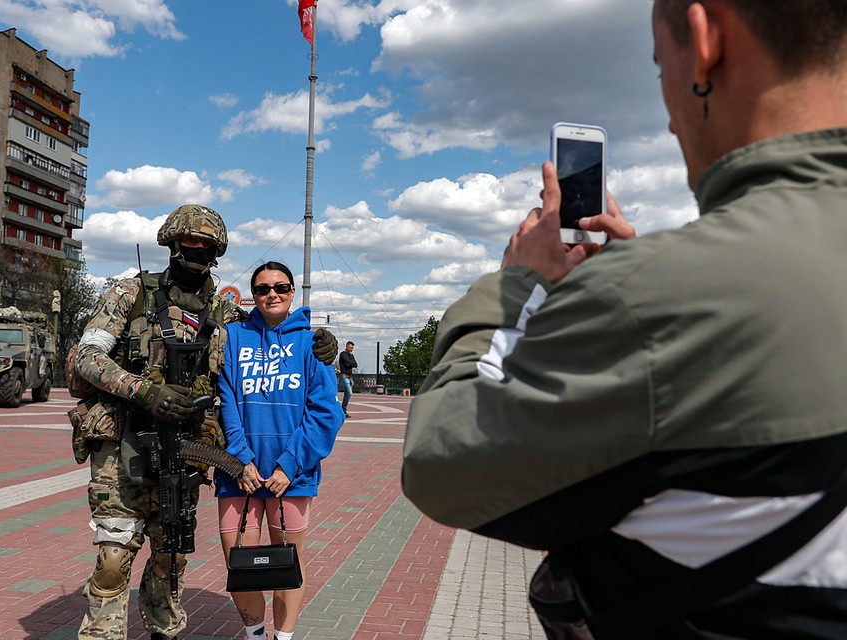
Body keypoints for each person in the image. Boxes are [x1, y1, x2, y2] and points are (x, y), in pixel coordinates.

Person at [403, 2, 847, 638]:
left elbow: (440, 464)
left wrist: (515, 284)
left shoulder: (655, 301)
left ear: (704, 38)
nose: (669, 118)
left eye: (660, 68)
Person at [73, 206, 338, 640]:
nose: (195, 252)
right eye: (187, 244)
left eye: (205, 246)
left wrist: (316, 338)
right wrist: (143, 391)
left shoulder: (224, 312)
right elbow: (86, 357)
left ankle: (164, 630)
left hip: (186, 449)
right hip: (125, 444)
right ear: (171, 245)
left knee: (171, 553)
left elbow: (267, 329)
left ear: (216, 251)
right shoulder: (130, 293)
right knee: (115, 555)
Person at [215, 261, 344, 640]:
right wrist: (241, 461)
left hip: (292, 477)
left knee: (289, 564)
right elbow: (226, 403)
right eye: (263, 288)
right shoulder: (234, 336)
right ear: (252, 295)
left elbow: (325, 413)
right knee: (239, 563)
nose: (272, 294)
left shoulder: (311, 343)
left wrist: (289, 465)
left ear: (292, 293)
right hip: (239, 473)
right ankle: (255, 634)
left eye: (282, 287)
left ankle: (284, 638)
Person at [338, 341, 357, 417]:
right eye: (350, 348)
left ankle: (343, 411)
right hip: (344, 376)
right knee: (349, 393)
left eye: (352, 348)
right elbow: (348, 362)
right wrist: (350, 364)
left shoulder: (351, 356)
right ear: (346, 347)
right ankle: (343, 410)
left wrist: (350, 364)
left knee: (347, 394)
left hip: (350, 377)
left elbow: (355, 364)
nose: (351, 349)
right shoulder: (343, 354)